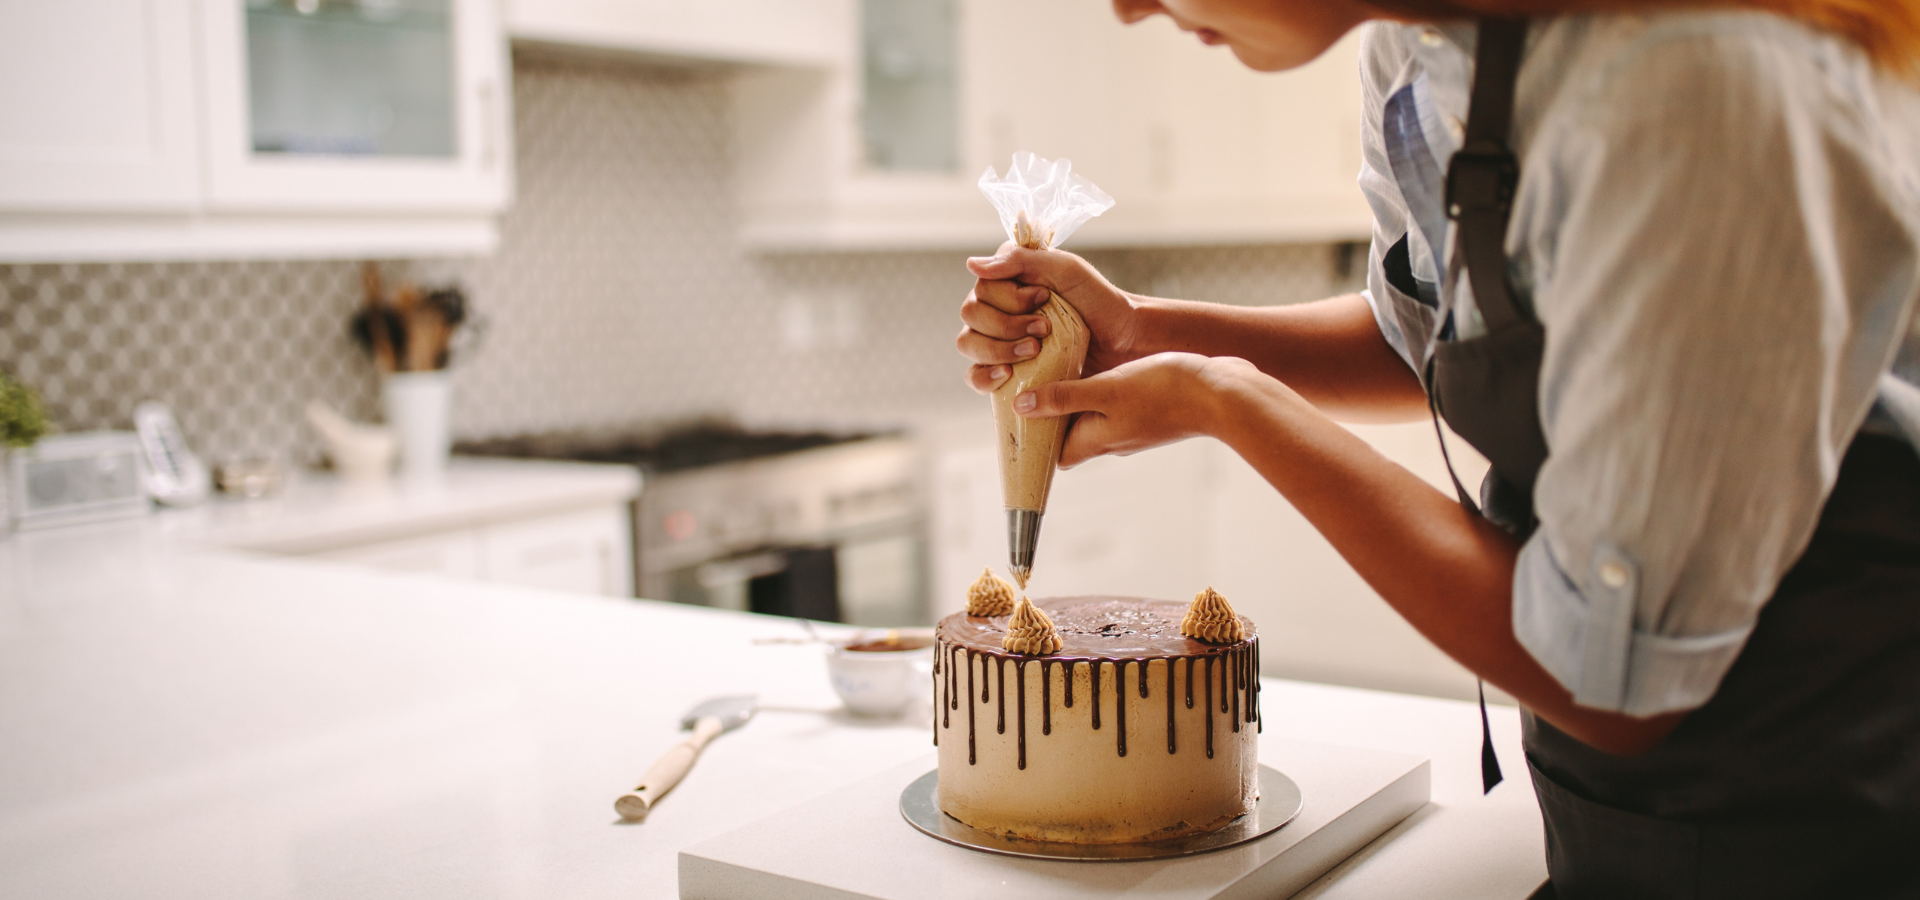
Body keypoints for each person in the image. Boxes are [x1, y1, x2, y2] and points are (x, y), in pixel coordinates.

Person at [955, 1, 1920, 895]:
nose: (1127, 7)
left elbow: (1617, 682)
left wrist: (1228, 401)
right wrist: (1146, 332)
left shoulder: (1690, 92)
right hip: (1616, 815)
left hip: (1813, 803)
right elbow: (1417, 335)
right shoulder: (1419, 55)